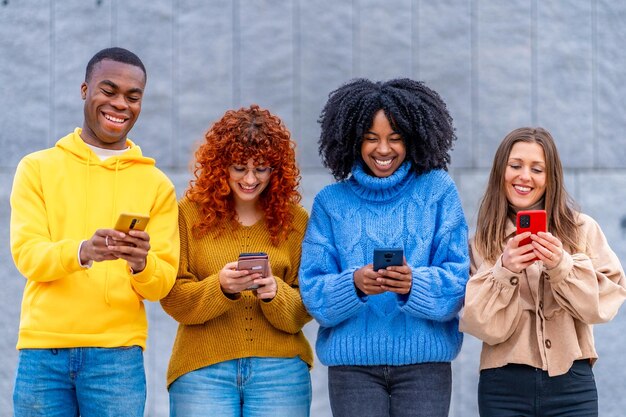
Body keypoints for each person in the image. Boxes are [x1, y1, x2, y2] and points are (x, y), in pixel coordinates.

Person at [9, 47, 180, 416]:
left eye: (133, 97)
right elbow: (28, 257)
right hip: (44, 354)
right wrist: (83, 251)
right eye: (109, 90)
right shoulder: (36, 168)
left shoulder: (157, 185)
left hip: (117, 359)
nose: (121, 104)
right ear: (85, 90)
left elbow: (162, 284)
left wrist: (140, 264)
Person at [298, 78, 470, 417]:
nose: (383, 150)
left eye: (395, 138)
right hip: (353, 373)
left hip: (425, 368)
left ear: (414, 138)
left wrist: (412, 284)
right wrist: (354, 284)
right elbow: (314, 296)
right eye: (371, 139)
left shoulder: (438, 191)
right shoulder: (330, 203)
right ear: (351, 141)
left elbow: (459, 284)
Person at [459, 127, 626, 416]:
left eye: (537, 169)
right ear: (501, 171)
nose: (525, 176)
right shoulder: (482, 243)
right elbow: (480, 325)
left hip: (573, 384)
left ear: (551, 178)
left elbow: (606, 303)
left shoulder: (581, 229)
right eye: (515, 166)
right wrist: (504, 271)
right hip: (503, 387)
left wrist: (562, 266)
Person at [160, 104, 313, 416]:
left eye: (262, 168)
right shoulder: (188, 215)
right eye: (239, 167)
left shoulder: (296, 221)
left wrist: (274, 291)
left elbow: (307, 306)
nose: (250, 179)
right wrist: (221, 287)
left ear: (277, 170)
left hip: (280, 373)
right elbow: (172, 297)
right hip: (202, 369)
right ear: (220, 165)